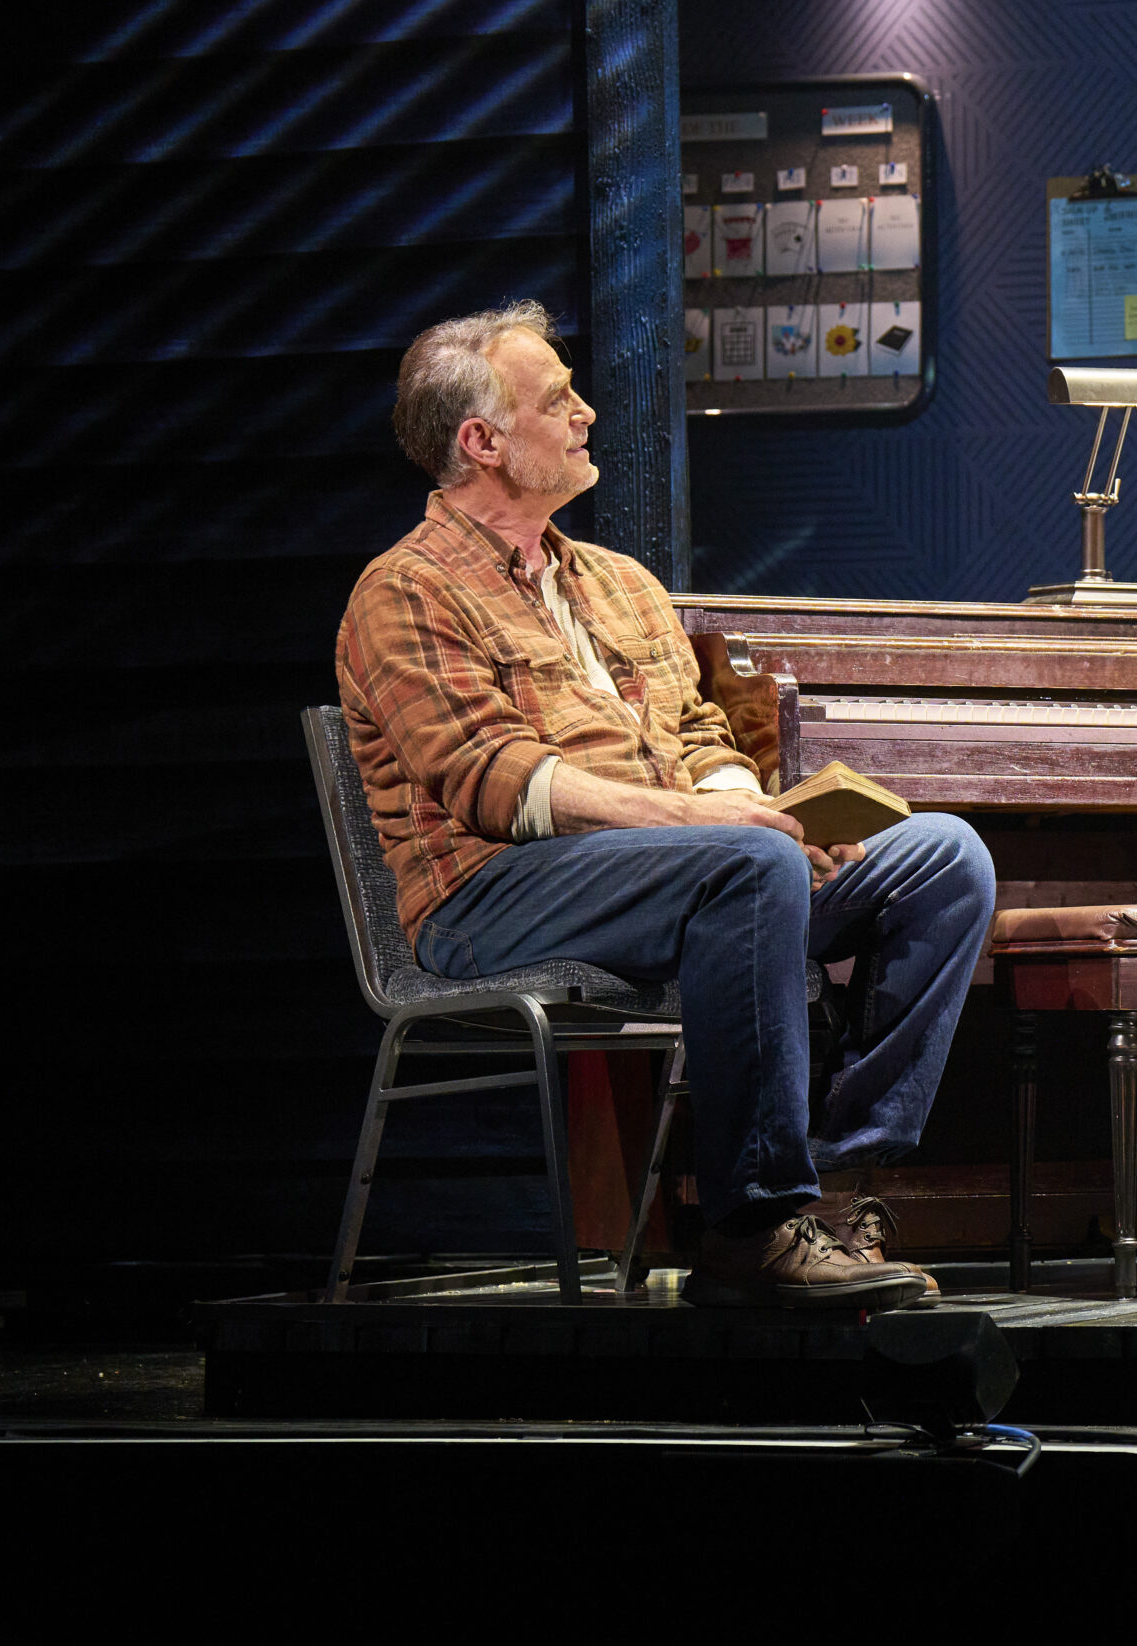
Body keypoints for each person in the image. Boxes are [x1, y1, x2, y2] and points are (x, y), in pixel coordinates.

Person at [337, 301, 994, 1309]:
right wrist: (717, 829)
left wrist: (754, 807)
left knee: (941, 855)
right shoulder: (405, 591)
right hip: (489, 896)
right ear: (481, 441)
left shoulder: (619, 583)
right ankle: (749, 1228)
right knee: (748, 862)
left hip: (682, 876)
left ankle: (834, 1183)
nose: (587, 413)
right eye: (557, 400)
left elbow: (695, 737)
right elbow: (490, 779)